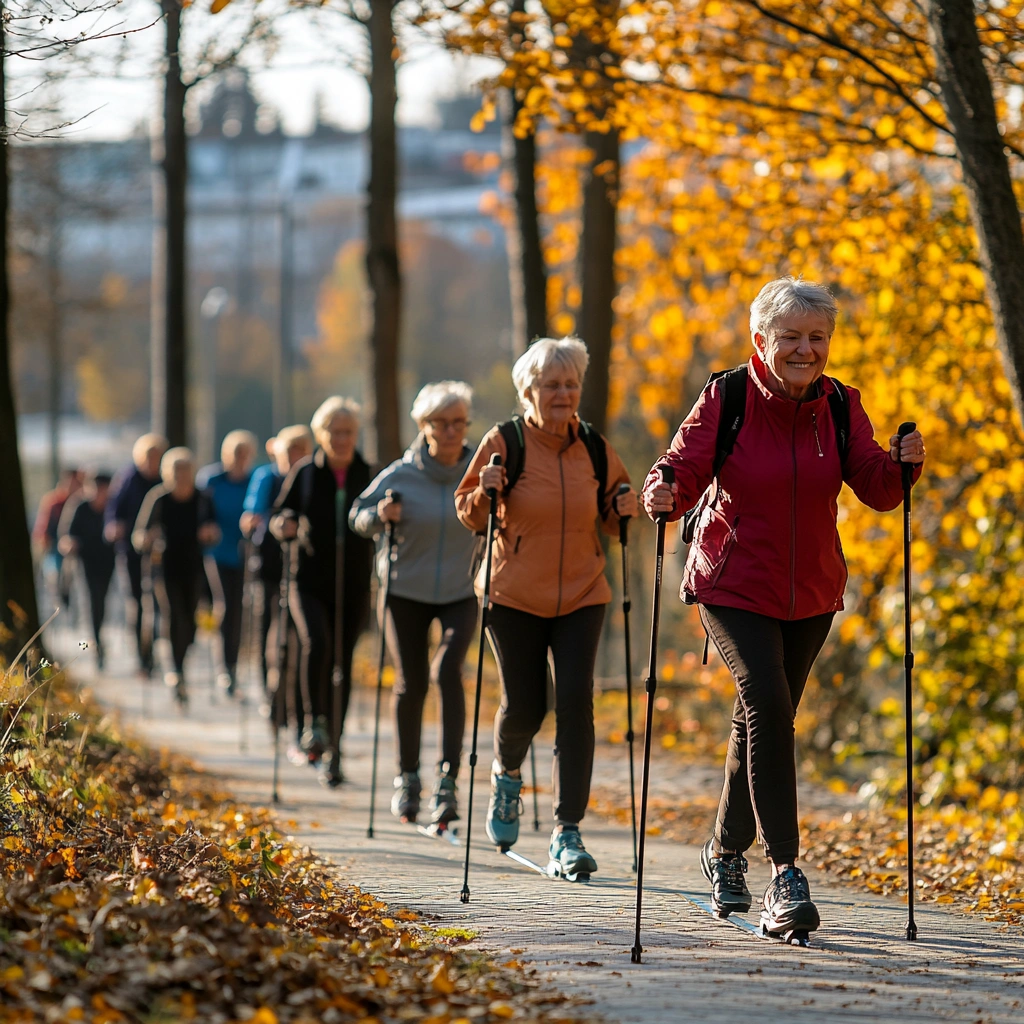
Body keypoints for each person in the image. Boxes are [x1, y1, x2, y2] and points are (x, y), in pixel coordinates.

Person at [642, 277, 926, 938]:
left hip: (812, 590)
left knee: (760, 718)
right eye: (791, 336)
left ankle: (723, 855)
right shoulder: (729, 396)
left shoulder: (839, 404)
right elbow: (683, 465)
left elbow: (877, 490)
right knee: (768, 706)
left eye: (816, 337)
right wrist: (665, 490)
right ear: (761, 340)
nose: (805, 349)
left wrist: (902, 465)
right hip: (732, 581)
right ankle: (785, 876)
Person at [454, 337, 637, 879]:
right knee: (526, 706)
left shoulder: (594, 447)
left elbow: (615, 512)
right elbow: (468, 512)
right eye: (553, 385)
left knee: (577, 700)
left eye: (571, 384)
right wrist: (485, 491)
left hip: (583, 592)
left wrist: (624, 505)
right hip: (513, 595)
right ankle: (507, 774)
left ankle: (567, 831)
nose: (564, 394)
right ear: (528, 390)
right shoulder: (504, 441)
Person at [350, 381, 479, 828]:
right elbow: (358, 516)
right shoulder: (400, 474)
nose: (451, 431)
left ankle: (448, 781)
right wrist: (378, 517)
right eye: (441, 423)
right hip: (404, 590)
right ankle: (407, 778)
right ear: (424, 427)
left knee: (448, 673)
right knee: (412, 681)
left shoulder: (480, 470)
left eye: (458, 423)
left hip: (462, 591)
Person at [270, 397, 373, 786]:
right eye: (335, 431)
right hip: (307, 581)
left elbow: (380, 514)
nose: (342, 438)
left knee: (343, 664)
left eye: (348, 431)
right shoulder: (306, 473)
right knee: (317, 642)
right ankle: (313, 724)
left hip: (354, 586)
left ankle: (335, 749)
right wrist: (286, 526)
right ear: (322, 435)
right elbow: (281, 514)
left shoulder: (368, 472)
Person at [134, 448, 219, 706]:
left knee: (190, 620)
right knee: (174, 615)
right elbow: (139, 536)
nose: (181, 476)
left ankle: (180, 662)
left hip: (194, 567)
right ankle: (176, 670)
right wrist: (147, 539)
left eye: (186, 471)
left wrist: (210, 534)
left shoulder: (203, 498)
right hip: (165, 567)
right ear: (167, 473)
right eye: (176, 471)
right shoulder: (159, 498)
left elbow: (215, 531)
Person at [241, 425, 314, 699]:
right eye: (289, 452)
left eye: (299, 452)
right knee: (266, 626)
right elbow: (253, 513)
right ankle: (268, 689)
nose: (293, 458)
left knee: (294, 633)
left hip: (301, 565)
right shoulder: (265, 477)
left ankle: (291, 691)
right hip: (268, 563)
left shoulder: (310, 477)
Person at [198, 430, 258, 696]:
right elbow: (200, 512)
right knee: (226, 604)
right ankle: (224, 666)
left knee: (240, 608)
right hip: (218, 552)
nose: (240, 459)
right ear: (226, 455)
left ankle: (233, 664)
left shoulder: (254, 481)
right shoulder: (211, 479)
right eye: (236, 454)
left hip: (245, 553)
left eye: (245, 455)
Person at [106, 434, 168, 675]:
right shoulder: (128, 479)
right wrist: (115, 527)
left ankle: (155, 647)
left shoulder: (166, 479)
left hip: (160, 552)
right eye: (149, 457)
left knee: (158, 602)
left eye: (157, 457)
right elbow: (114, 511)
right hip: (131, 552)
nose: (153, 462)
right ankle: (143, 655)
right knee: (137, 603)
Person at [57, 472, 116, 669]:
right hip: (85, 563)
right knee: (92, 602)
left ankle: (99, 638)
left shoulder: (113, 507)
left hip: (108, 562)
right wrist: (70, 544)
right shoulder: (80, 507)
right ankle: (95, 643)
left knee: (102, 601)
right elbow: (67, 535)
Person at [33, 468, 84, 617]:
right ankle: (59, 609)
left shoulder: (81, 502)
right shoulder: (53, 502)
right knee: (55, 577)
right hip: (54, 549)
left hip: (76, 551)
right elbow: (43, 529)